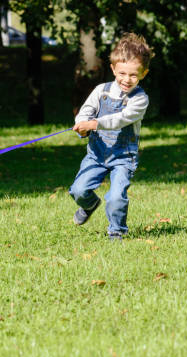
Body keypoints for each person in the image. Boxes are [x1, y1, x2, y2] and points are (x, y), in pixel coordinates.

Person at [69, 33, 154, 241]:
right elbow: (86, 111)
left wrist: (95, 123)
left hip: (123, 157)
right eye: (122, 73)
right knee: (78, 190)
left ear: (144, 73)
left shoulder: (140, 99)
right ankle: (89, 204)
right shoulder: (101, 90)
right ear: (113, 68)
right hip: (97, 155)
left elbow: (121, 119)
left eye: (134, 75)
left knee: (116, 197)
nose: (127, 79)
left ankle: (116, 231)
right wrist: (82, 124)